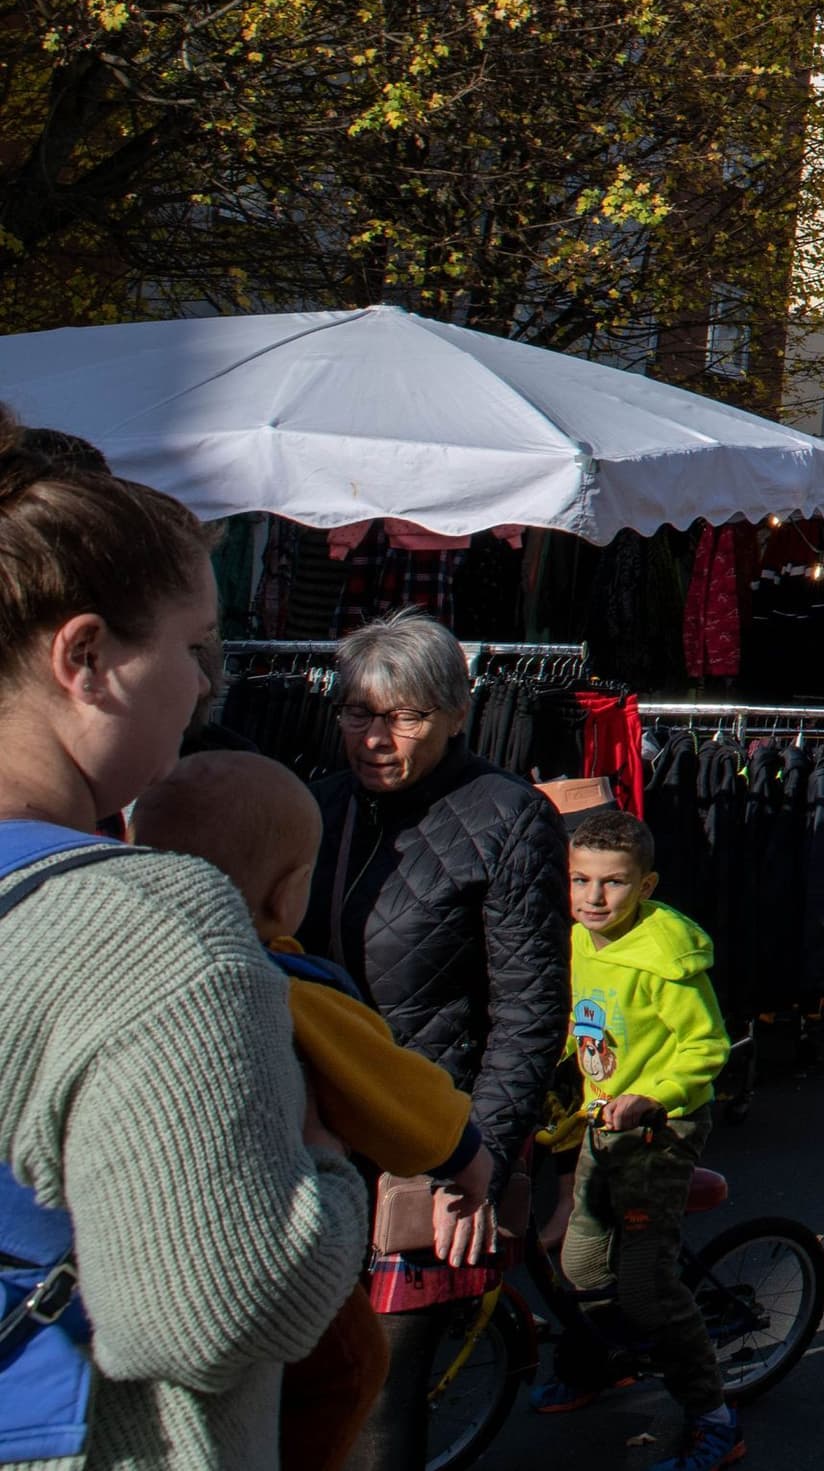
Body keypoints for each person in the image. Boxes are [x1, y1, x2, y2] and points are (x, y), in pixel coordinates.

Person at [0, 415, 367, 1470]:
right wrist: (331, 1171)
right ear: (85, 657)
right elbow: (215, 1313)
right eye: (193, 647)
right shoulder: (149, 924)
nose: (208, 685)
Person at [132, 753, 484, 1471]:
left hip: (134, 1252)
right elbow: (408, 1107)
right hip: (261, 1243)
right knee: (351, 1366)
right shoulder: (286, 988)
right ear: (288, 894)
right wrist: (469, 1162)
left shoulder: (110, 962)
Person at [308, 614, 564, 1471]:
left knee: (382, 1393)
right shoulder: (320, 806)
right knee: (303, 1379)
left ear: (456, 713)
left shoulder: (509, 819)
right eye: (358, 714)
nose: (376, 738)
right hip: (311, 1140)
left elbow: (529, 1009)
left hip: (426, 1143)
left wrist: (475, 1161)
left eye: (403, 716)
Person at [525, 809, 734, 1467]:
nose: (592, 897)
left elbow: (708, 1044)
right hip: (600, 1122)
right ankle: (602, 1363)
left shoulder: (665, 957)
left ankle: (714, 1415)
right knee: (582, 1263)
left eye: (611, 883)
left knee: (647, 1286)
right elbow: (581, 1025)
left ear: (645, 886)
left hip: (660, 1128)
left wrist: (653, 1095)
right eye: (580, 879)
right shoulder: (582, 939)